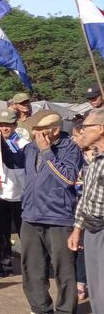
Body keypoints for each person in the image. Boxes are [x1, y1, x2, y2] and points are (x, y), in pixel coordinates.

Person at [21, 110, 82, 314]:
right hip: (30, 215)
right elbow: (12, 162)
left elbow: (68, 179)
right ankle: (40, 308)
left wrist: (47, 152)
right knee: (32, 268)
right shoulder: (30, 148)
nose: (34, 132)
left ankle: (65, 310)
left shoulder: (70, 148)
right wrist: (0, 141)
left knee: (64, 269)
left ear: (54, 130)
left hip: (58, 217)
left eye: (38, 129)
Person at [69, 108, 104, 314]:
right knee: (95, 283)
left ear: (100, 129)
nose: (82, 132)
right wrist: (77, 229)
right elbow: (85, 199)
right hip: (91, 230)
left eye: (86, 127)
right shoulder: (94, 162)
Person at [0, 109, 29, 278]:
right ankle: (4, 266)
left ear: (15, 125)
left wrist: (0, 142)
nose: (4, 128)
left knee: (25, 234)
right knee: (0, 233)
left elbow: (14, 160)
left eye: (7, 125)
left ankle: (30, 267)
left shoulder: (23, 144)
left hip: (20, 195)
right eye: (0, 125)